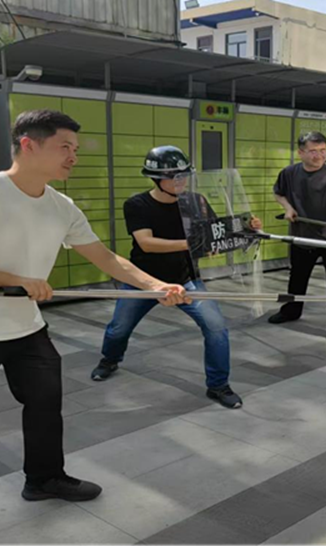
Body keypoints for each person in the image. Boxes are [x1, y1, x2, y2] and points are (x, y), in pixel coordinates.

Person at [0, 111, 189, 546]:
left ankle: (44, 478)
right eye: (65, 147)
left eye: (75, 149)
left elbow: (107, 259)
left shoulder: (61, 206)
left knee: (45, 404)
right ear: (28, 144)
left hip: (26, 329)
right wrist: (14, 278)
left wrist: (156, 286)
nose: (73, 157)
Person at [89, 145, 260, 410]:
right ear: (156, 178)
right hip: (143, 281)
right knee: (119, 327)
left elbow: (215, 234)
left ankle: (219, 385)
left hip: (186, 279)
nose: (180, 181)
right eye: (173, 176)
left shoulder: (197, 202)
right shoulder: (137, 204)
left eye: (184, 175)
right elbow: (146, 243)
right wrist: (190, 244)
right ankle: (109, 360)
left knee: (216, 327)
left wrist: (247, 227)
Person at [267, 131, 326, 343]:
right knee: (297, 276)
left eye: (323, 151)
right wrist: (288, 208)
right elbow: (278, 193)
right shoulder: (289, 173)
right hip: (303, 235)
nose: (320, 155)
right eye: (314, 151)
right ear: (301, 153)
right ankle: (291, 311)